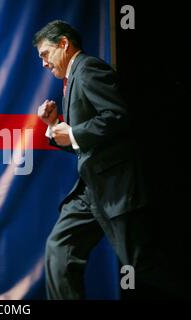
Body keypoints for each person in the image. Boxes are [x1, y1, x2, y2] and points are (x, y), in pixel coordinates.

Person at [33, 20, 171, 299]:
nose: (44, 64)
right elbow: (86, 142)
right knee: (59, 251)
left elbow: (118, 116)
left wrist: (73, 132)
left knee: (141, 263)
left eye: (45, 55)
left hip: (115, 187)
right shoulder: (71, 80)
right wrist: (54, 126)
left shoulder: (88, 69)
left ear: (64, 44)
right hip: (91, 190)